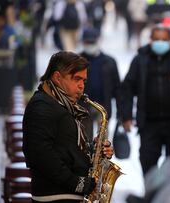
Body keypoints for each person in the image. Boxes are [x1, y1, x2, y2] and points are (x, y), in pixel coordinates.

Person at [22, 51, 114, 202]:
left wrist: (95, 151)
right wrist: (77, 183)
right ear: (57, 77)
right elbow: (40, 154)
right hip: (54, 196)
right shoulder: (41, 106)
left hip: (67, 195)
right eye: (76, 79)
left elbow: (67, 149)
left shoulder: (63, 105)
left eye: (84, 81)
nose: (81, 86)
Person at [120, 24, 170, 175]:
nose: (160, 42)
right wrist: (126, 116)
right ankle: (151, 194)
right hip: (148, 123)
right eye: (156, 39)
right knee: (147, 161)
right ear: (150, 40)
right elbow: (127, 88)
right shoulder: (141, 59)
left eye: (164, 39)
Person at [80, 28, 121, 140]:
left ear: (98, 41)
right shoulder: (76, 61)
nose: (90, 45)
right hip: (83, 108)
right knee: (84, 143)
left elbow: (117, 88)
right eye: (87, 42)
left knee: (102, 144)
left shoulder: (109, 62)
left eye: (92, 42)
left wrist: (121, 113)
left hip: (103, 106)